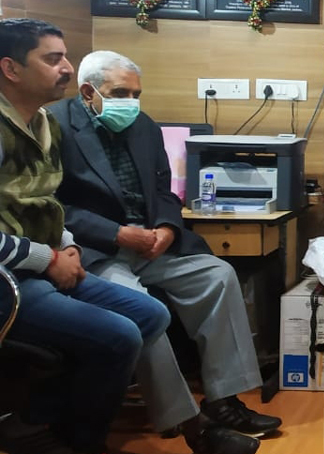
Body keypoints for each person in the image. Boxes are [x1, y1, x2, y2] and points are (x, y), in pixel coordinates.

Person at [49, 51, 271, 451]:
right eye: (120, 92)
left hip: (153, 246)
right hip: (96, 251)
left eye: (136, 93)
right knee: (136, 305)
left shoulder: (144, 126)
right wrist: (118, 233)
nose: (130, 102)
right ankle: (190, 422)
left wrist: (168, 228)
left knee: (218, 276)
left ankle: (224, 399)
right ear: (88, 92)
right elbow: (55, 205)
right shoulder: (53, 126)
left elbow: (164, 191)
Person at [0, 19, 169, 454]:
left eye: (66, 57)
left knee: (150, 315)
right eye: (52, 59)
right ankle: (76, 442)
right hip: (9, 277)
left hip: (48, 259)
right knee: (121, 335)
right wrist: (48, 259)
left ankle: (36, 421)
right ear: (11, 69)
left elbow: (52, 202)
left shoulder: (42, 124)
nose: (68, 69)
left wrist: (68, 244)